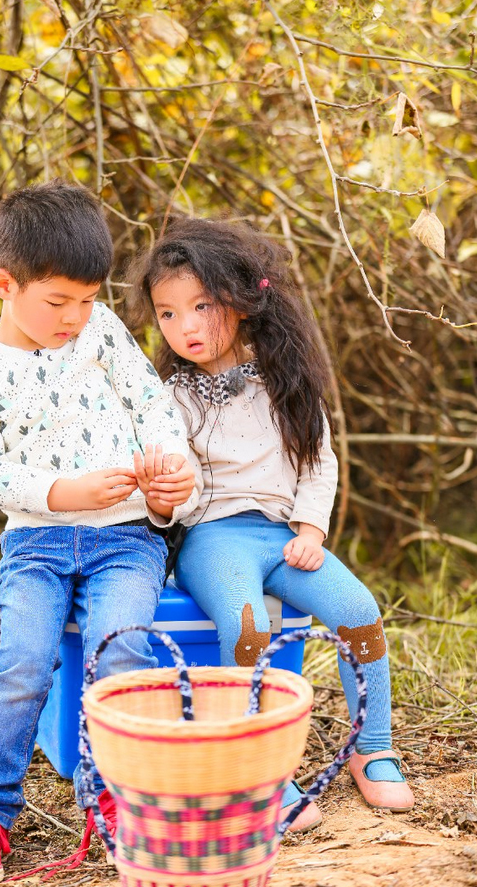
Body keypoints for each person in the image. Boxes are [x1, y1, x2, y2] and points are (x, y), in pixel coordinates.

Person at [128, 217, 414, 834]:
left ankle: (372, 747)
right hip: (211, 539)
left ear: (240, 301)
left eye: (202, 306)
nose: (186, 326)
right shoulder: (167, 399)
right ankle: (256, 770)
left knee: (359, 611)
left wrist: (311, 532)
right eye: (168, 313)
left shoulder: (285, 380)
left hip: (284, 535)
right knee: (248, 623)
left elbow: (318, 460)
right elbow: (175, 489)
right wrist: (163, 500)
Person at [0, 181, 197, 883]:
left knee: (121, 653)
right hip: (36, 544)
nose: (75, 317)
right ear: (5, 283)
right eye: (58, 301)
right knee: (21, 663)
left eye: (87, 299)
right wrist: (65, 492)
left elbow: (151, 404)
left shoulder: (102, 331)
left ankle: (116, 800)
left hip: (127, 541)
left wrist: (168, 471)